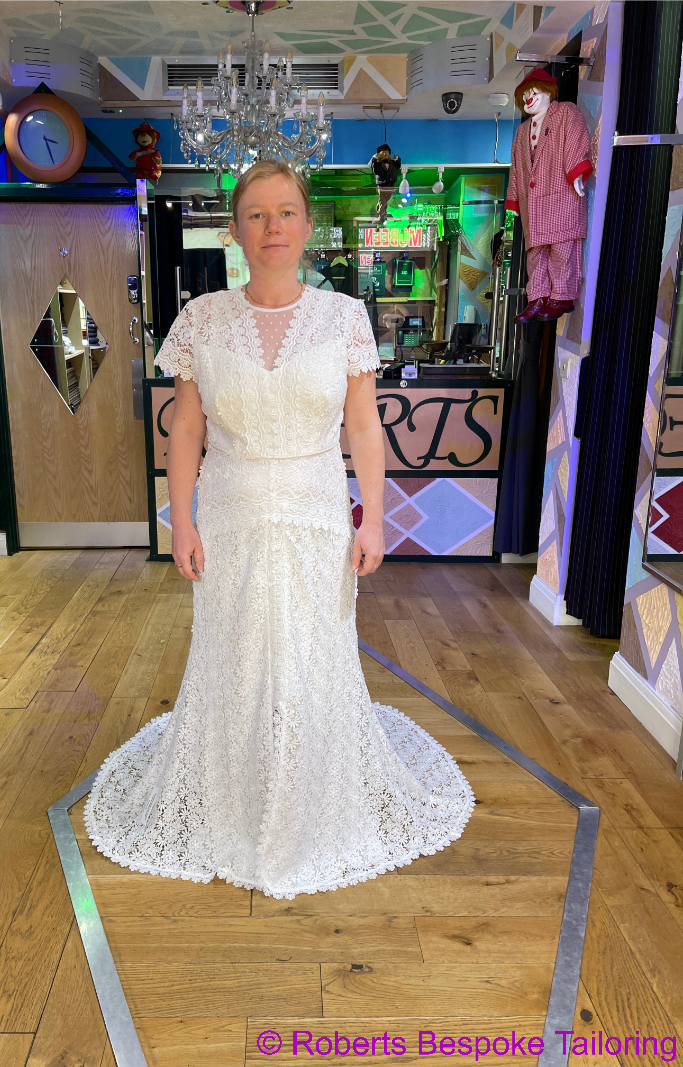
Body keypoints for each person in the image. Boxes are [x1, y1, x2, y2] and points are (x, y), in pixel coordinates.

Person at [85, 160, 473, 900]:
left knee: (312, 653)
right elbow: (186, 430)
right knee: (233, 652)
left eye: (286, 212)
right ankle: (231, 793)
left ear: (308, 225)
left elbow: (364, 427)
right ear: (234, 230)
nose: (273, 227)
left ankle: (311, 797)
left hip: (317, 514)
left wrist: (374, 518)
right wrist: (180, 519)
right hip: (229, 514)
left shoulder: (345, 318)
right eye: (256, 214)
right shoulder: (201, 320)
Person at [505, 69, 592, 323]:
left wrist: (576, 173)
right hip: (532, 202)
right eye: (524, 96)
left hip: (560, 195)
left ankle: (562, 297)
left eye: (533, 93)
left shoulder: (566, 113)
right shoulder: (522, 131)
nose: (528, 99)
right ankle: (537, 298)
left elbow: (576, 140)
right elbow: (517, 168)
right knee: (535, 253)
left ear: (547, 92)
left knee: (562, 249)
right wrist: (514, 200)